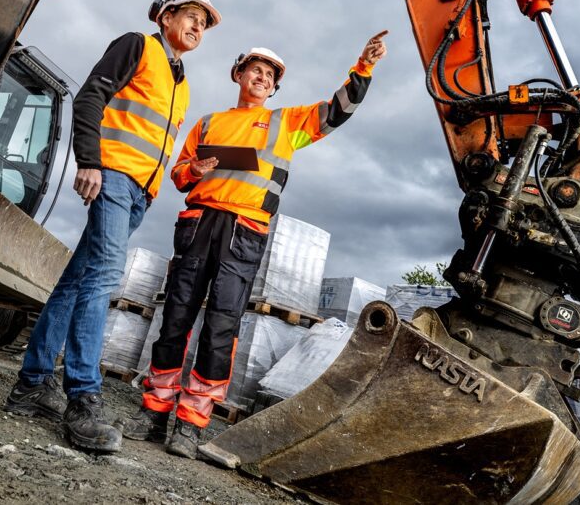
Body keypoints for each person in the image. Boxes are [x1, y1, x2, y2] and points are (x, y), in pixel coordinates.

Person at [118, 31, 388, 458]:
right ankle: (153, 412)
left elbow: (337, 111)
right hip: (197, 224)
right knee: (175, 320)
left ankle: (190, 424)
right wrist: (196, 168)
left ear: (274, 86)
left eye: (269, 75)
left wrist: (364, 66)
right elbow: (179, 175)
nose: (261, 78)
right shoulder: (208, 122)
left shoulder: (288, 125)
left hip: (244, 231)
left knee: (221, 326)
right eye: (255, 70)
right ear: (239, 74)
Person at [4, 0, 222, 453]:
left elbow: (151, 137)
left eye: (205, 23)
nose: (198, 27)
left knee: (76, 280)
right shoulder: (137, 45)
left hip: (140, 191)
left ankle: (30, 384)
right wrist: (89, 161)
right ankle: (82, 396)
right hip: (114, 176)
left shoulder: (180, 82)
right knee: (103, 276)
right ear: (166, 16)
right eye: (191, 16)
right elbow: (89, 99)